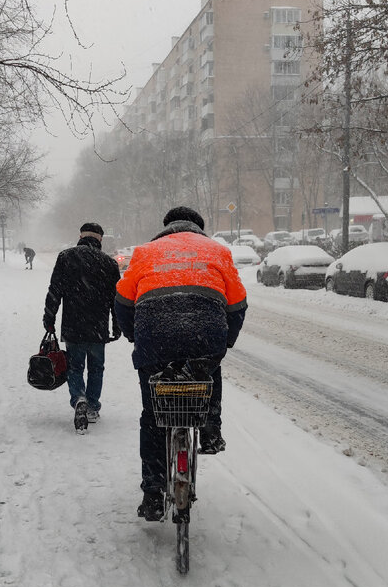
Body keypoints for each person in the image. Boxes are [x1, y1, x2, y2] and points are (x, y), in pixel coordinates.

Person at [114, 206, 247, 521]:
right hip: (206, 333)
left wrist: (135, 336)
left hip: (155, 337)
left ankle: (153, 492)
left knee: (152, 415)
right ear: (199, 228)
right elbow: (238, 304)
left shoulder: (145, 253)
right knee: (209, 370)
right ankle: (211, 429)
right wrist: (225, 340)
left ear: (166, 228)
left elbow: (122, 300)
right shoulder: (218, 252)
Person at [43, 222, 121, 433]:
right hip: (98, 327)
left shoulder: (66, 257)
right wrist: (117, 324)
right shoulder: (109, 263)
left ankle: (78, 399)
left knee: (75, 367)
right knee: (96, 368)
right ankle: (93, 407)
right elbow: (116, 299)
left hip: (73, 325)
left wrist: (49, 318)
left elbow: (54, 291)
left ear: (80, 236)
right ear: (100, 239)